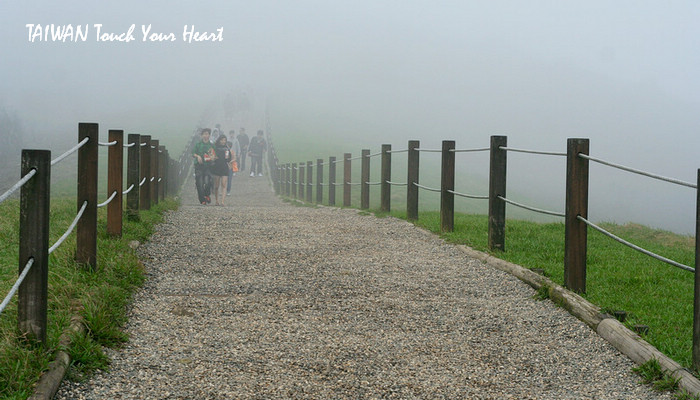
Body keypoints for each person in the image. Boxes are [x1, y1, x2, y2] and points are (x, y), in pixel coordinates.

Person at [192, 128, 215, 205]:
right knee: (199, 183)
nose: (206, 135)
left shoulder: (212, 145)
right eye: (204, 134)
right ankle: (202, 200)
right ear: (202, 135)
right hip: (199, 166)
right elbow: (193, 153)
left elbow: (215, 155)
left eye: (207, 134)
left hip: (208, 166)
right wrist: (198, 156)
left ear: (209, 135)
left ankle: (207, 194)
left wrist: (212, 157)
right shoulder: (198, 144)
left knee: (207, 181)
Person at [211, 134, 232, 206]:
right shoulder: (215, 148)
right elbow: (211, 156)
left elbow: (229, 159)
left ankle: (222, 201)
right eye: (222, 140)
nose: (223, 141)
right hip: (217, 167)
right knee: (216, 186)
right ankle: (216, 200)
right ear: (219, 140)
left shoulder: (227, 149)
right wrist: (213, 158)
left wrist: (228, 157)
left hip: (224, 167)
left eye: (224, 140)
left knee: (223, 184)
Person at [226, 130, 241, 194]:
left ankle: (234, 171)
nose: (232, 135)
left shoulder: (236, 140)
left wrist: (238, 153)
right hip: (228, 156)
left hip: (233, 154)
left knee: (234, 164)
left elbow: (238, 147)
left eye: (232, 133)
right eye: (231, 133)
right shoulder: (227, 139)